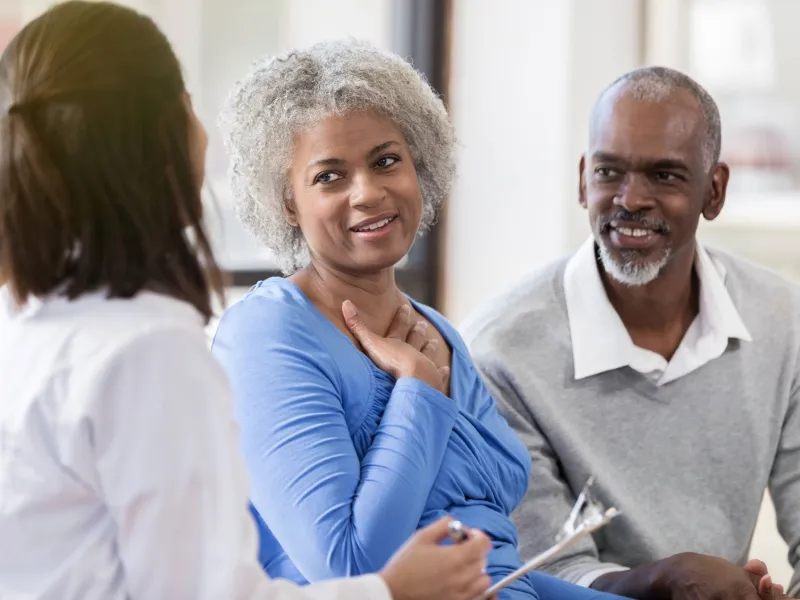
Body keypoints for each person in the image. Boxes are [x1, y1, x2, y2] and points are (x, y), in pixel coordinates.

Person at [0, 3, 496, 599]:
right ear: (162, 135)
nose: (367, 193)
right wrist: (389, 592)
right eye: (186, 101)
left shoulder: (34, 322)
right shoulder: (149, 351)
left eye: (388, 160)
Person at [212, 40, 627, 600]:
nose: (369, 193)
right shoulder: (268, 335)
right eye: (330, 177)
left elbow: (495, 564)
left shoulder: (435, 328)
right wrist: (416, 392)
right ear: (288, 202)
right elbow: (353, 568)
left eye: (386, 161)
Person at [462, 66, 800, 600]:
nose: (631, 199)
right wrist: (662, 581)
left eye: (664, 176)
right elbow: (542, 569)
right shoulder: (499, 351)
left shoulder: (783, 320)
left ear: (715, 191)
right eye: (609, 172)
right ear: (582, 181)